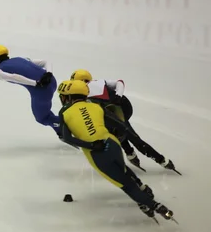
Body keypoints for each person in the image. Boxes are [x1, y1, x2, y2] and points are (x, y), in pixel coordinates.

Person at [57, 80, 176, 223]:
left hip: (97, 153)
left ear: (68, 97)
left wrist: (91, 145)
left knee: (126, 185)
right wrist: (128, 142)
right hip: (112, 143)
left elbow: (66, 138)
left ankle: (156, 207)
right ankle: (142, 188)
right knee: (123, 170)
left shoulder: (64, 112)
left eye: (62, 96)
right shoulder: (96, 106)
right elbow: (121, 126)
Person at [70, 69, 179, 174]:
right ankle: (157, 159)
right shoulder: (99, 82)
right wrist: (118, 95)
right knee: (123, 133)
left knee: (126, 134)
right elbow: (120, 82)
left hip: (115, 111)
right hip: (121, 107)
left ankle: (153, 158)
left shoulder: (83, 92)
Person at [0, 45, 60, 136]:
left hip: (41, 90)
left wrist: (36, 83)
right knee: (46, 113)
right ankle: (61, 128)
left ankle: (65, 126)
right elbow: (46, 62)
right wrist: (49, 74)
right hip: (52, 81)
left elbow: (15, 77)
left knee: (42, 118)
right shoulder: (21, 58)